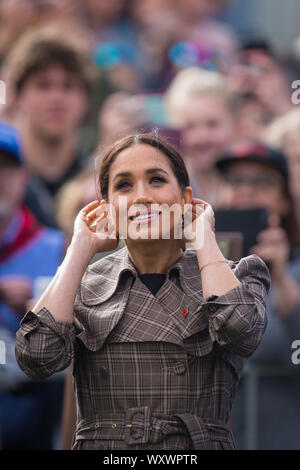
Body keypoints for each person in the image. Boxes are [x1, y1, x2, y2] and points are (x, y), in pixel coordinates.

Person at [15, 133, 270, 450]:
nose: (141, 196)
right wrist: (79, 248)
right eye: (124, 185)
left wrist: (204, 237)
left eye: (156, 180)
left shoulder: (235, 274)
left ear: (186, 198)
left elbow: (242, 331)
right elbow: (36, 357)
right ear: (106, 209)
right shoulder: (81, 285)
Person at [215, 139, 300, 449]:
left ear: (285, 201)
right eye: (235, 181)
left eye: (262, 182)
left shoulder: (293, 273)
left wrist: (280, 279)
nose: (246, 191)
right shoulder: (196, 266)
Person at [0, 120, 66, 449]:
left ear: (24, 178)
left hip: (37, 426)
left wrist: (45, 316)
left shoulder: (59, 248)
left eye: (6, 169)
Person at [3, 26, 95, 228]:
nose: (56, 98)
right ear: (18, 97)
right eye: (43, 85)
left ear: (86, 101)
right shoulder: (4, 180)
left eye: (68, 86)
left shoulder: (97, 185)